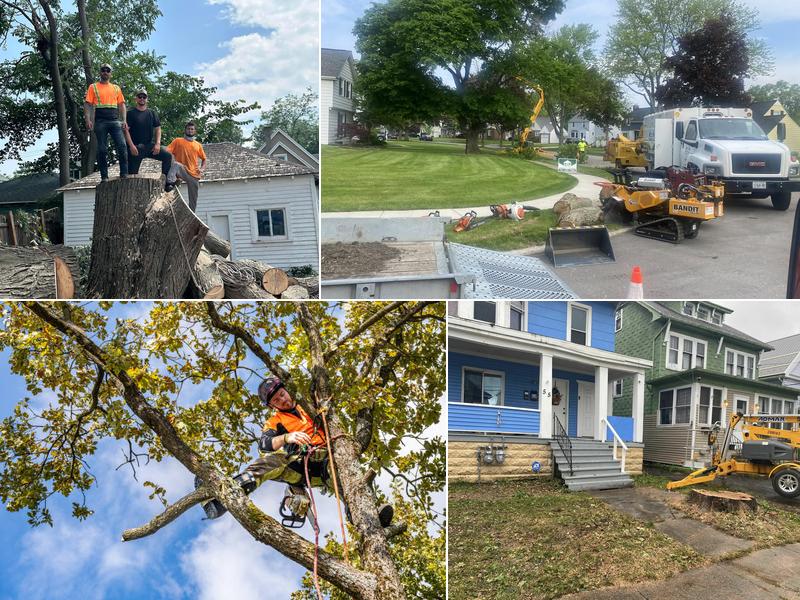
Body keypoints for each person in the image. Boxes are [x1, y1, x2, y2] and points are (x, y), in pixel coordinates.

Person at [197, 376, 393, 528]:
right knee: (273, 460)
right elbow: (265, 443)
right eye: (276, 400)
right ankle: (224, 494)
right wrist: (287, 438)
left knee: (346, 477)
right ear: (272, 406)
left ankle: (368, 516)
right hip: (299, 465)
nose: (282, 400)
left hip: (326, 464)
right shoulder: (275, 421)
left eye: (282, 394)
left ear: (286, 391)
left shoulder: (309, 407)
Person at [84, 63, 128, 181]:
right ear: (100, 72)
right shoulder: (93, 87)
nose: (105, 72)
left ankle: (124, 173)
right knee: (102, 149)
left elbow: (122, 105)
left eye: (108, 70)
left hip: (114, 121)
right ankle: (104, 176)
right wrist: (88, 119)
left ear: (111, 73)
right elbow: (88, 104)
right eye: (103, 70)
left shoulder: (116, 88)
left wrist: (124, 120)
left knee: (122, 146)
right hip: (100, 122)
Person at [124, 88, 173, 186]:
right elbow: (125, 130)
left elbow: (158, 128)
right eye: (140, 97)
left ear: (147, 99)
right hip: (136, 148)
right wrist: (131, 146)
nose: (142, 98)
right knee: (131, 177)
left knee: (168, 155)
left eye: (144, 97)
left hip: (149, 146)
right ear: (136, 99)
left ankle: (166, 183)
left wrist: (158, 144)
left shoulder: (152, 112)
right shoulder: (130, 113)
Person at [166, 121, 206, 210]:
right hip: (182, 170)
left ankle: (192, 216)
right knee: (176, 164)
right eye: (188, 129)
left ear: (195, 131)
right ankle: (170, 183)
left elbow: (204, 159)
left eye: (192, 129)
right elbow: (167, 152)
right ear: (185, 130)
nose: (190, 131)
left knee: (193, 200)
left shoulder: (198, 145)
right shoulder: (178, 141)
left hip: (194, 174)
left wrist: (202, 169)